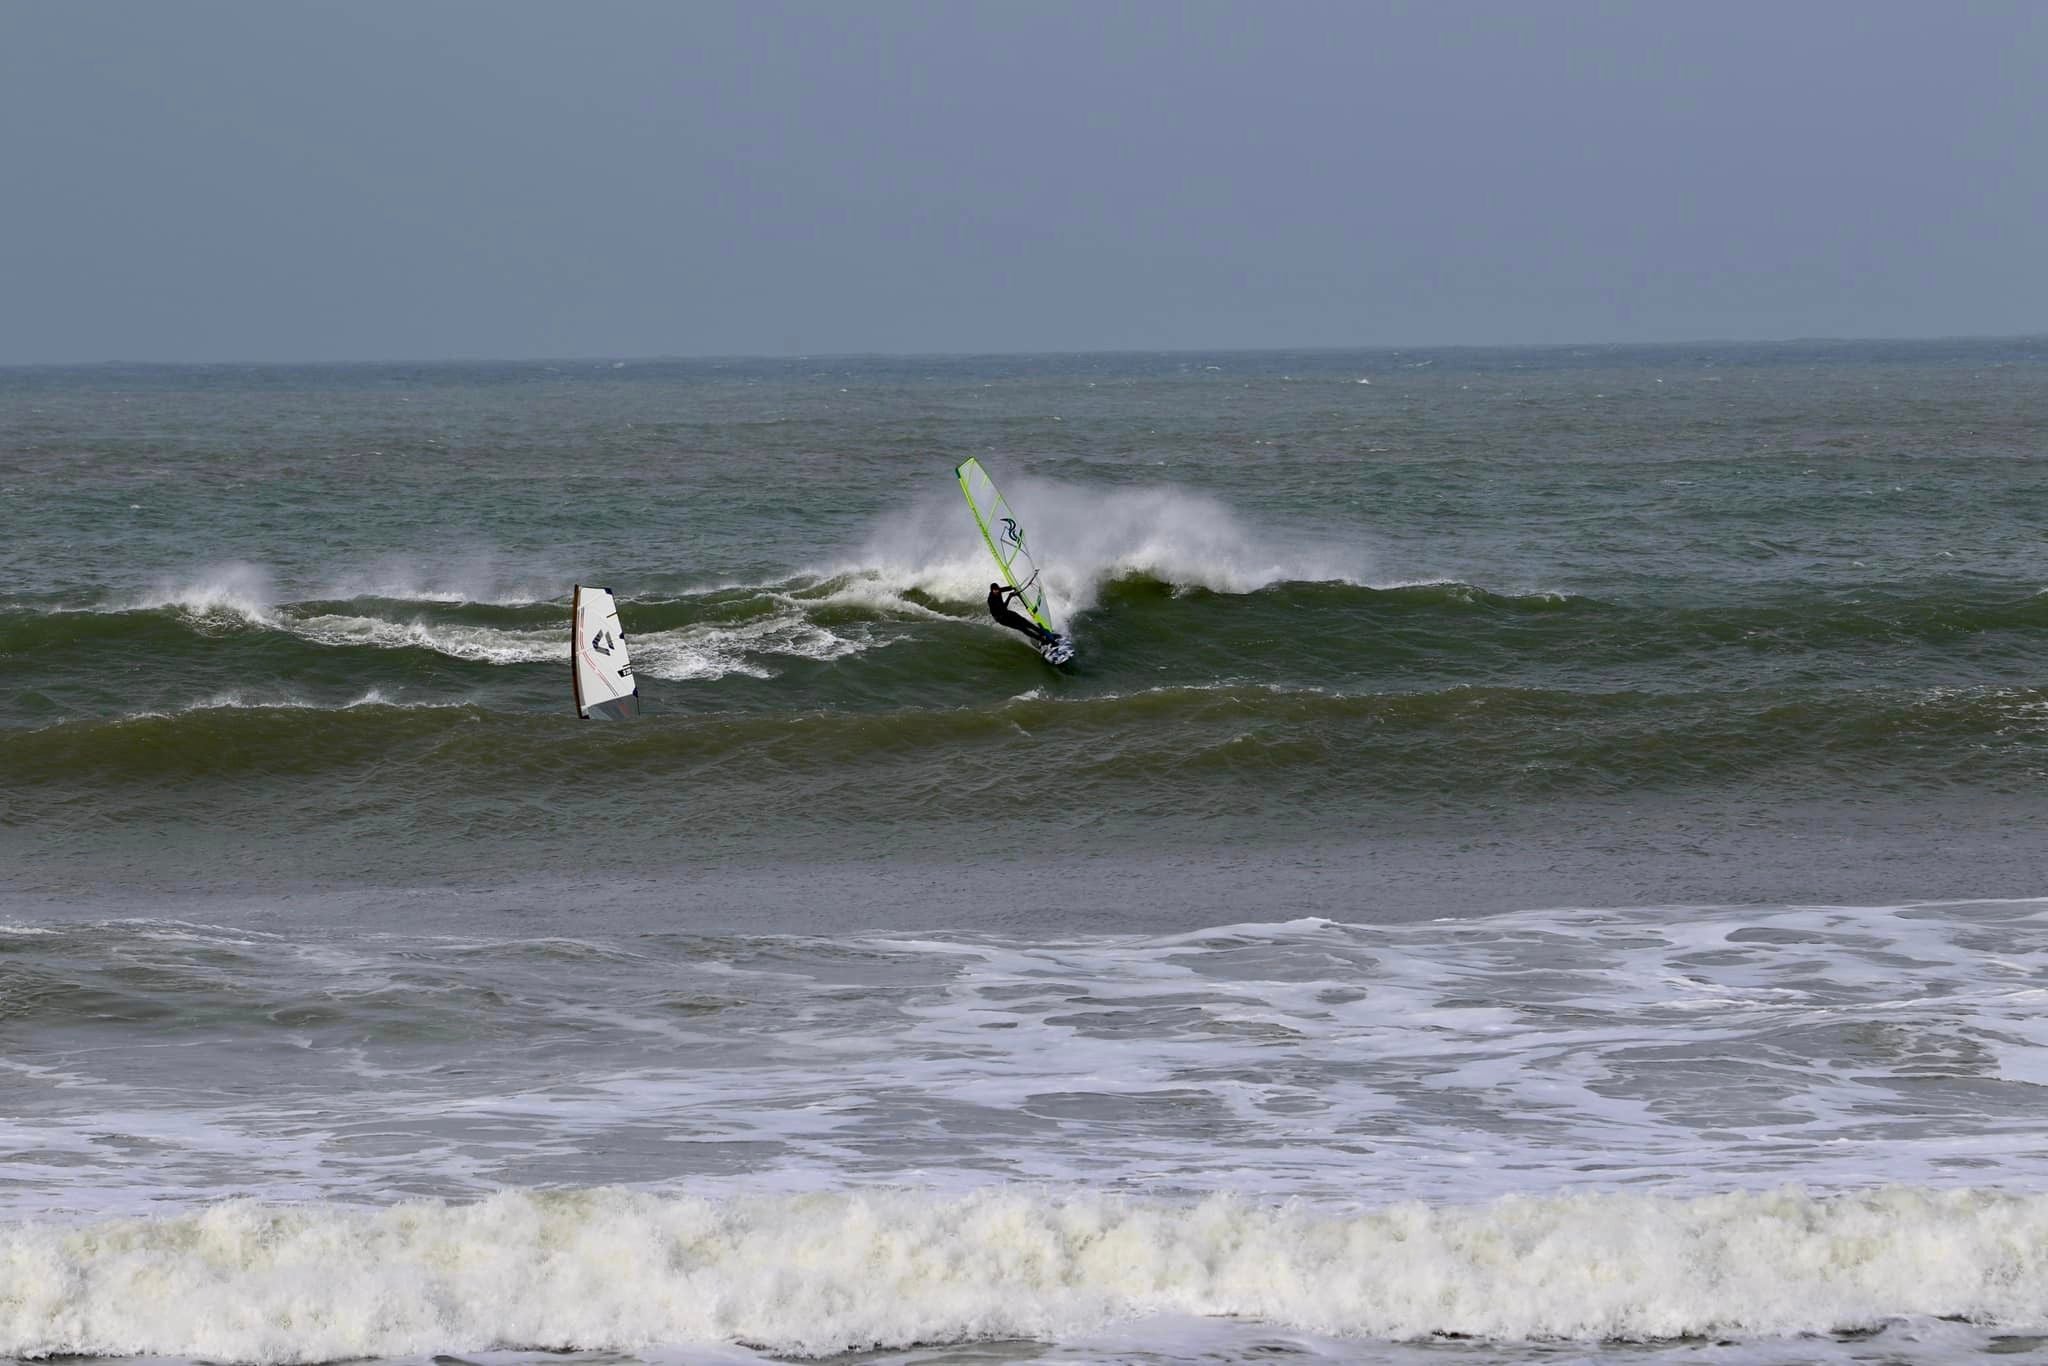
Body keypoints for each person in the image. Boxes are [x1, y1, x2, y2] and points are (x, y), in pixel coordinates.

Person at [987, 582, 1057, 647]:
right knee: (1022, 628)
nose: (997, 591)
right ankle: (1042, 640)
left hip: (1007, 613)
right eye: (995, 590)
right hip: (1002, 619)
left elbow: (1004, 589)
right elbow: (1003, 607)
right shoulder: (991, 599)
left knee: (1026, 622)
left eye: (998, 589)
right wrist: (1009, 597)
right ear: (992, 591)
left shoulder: (998, 591)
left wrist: (1012, 587)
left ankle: (1044, 634)